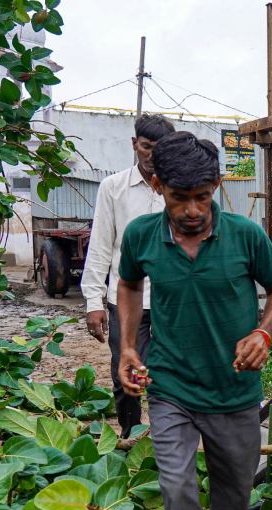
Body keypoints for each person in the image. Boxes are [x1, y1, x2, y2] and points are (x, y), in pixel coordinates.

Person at [116, 131, 272, 510]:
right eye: (179, 198)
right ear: (158, 187)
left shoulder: (245, 236)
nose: (192, 211)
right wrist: (128, 347)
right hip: (170, 385)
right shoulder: (141, 236)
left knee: (235, 490)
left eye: (202, 197)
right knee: (178, 489)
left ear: (216, 185)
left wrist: (263, 333)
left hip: (234, 387)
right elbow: (129, 284)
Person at [82, 113, 175, 436]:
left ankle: (166, 440)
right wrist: (93, 302)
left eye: (160, 148)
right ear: (135, 144)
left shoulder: (178, 189)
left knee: (168, 376)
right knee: (127, 375)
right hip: (125, 300)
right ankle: (129, 437)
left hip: (171, 300)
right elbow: (101, 246)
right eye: (147, 147)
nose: (152, 155)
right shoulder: (113, 188)